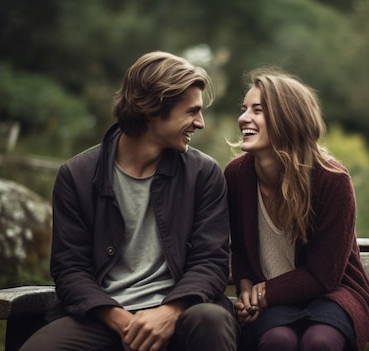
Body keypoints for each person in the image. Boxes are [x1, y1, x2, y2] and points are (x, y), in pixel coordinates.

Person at [21, 51, 237, 351]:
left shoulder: (204, 174)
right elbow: (69, 269)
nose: (199, 123)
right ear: (153, 109)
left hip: (183, 311)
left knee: (211, 319)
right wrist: (123, 322)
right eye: (191, 111)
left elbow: (211, 261)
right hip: (104, 316)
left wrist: (168, 312)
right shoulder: (77, 175)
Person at [224, 68, 369, 351]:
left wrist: (263, 292)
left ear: (287, 118)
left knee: (319, 342)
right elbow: (238, 247)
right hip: (271, 303)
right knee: (278, 341)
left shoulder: (331, 180)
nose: (243, 118)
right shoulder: (236, 176)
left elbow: (325, 274)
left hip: (333, 295)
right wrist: (247, 288)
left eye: (257, 110)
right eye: (244, 109)